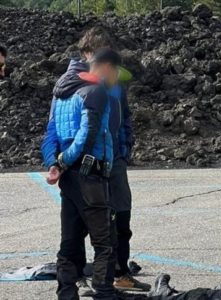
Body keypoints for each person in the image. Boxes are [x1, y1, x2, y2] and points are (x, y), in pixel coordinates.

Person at [54, 27, 144, 293]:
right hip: (87, 168)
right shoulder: (80, 86)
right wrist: (62, 160)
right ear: (86, 54)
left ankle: (119, 272)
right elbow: (81, 131)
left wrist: (125, 148)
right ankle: (93, 283)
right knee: (93, 233)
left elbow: (124, 118)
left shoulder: (112, 85)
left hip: (111, 160)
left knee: (120, 217)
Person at [41, 48, 123, 300]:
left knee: (70, 241)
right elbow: (87, 134)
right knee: (105, 242)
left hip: (69, 180)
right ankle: (104, 293)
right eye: (117, 72)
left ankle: (66, 293)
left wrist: (53, 163)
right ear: (107, 67)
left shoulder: (61, 93)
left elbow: (50, 134)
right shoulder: (95, 90)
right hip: (91, 176)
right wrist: (64, 161)